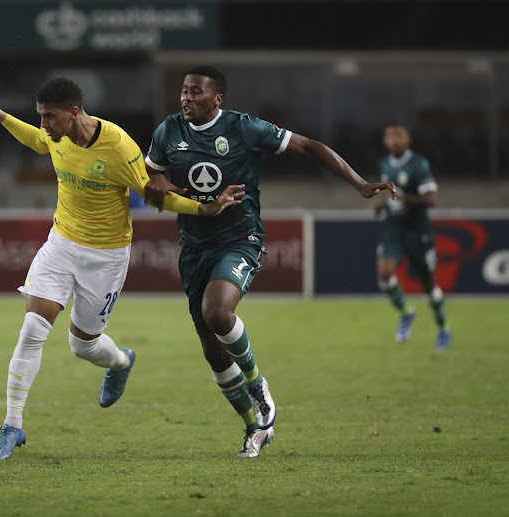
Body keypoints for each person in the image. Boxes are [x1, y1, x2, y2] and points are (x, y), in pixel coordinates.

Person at [0, 77, 244, 460]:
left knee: (83, 344)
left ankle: (121, 362)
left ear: (74, 113)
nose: (45, 125)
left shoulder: (117, 146)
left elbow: (152, 193)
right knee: (32, 328)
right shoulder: (56, 135)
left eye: (50, 117)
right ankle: (12, 425)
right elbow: (35, 139)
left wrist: (205, 208)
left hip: (106, 255)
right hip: (61, 243)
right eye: (40, 117)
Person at [143, 65, 397, 458]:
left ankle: (258, 385)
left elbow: (310, 146)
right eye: (184, 91)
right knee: (212, 348)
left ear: (217, 99)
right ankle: (256, 426)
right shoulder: (168, 132)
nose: (186, 98)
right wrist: (158, 185)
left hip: (240, 238)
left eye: (195, 92)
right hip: (193, 246)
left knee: (217, 311)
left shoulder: (244, 128)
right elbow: (151, 182)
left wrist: (360, 183)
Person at [373, 123, 450, 349]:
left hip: (418, 233)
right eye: (389, 136)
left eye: (399, 135)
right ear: (385, 141)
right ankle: (406, 313)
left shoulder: (418, 164)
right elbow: (392, 195)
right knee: (385, 273)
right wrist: (383, 205)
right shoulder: (384, 163)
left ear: (408, 139)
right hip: (395, 230)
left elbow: (430, 200)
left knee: (428, 286)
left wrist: (403, 199)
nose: (394, 140)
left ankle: (443, 327)